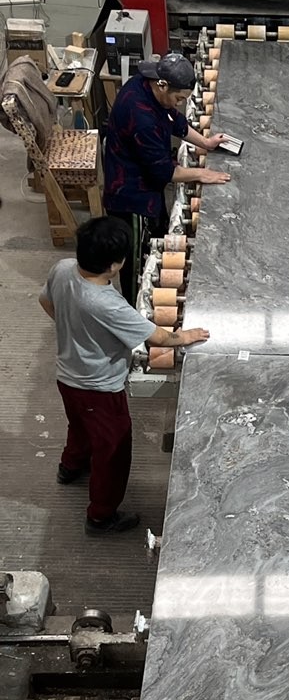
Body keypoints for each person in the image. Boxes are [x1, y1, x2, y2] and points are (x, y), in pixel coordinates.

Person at [39, 216, 210, 535]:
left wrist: (74, 331)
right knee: (113, 450)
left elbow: (45, 301)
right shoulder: (106, 303)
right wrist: (185, 336)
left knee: (80, 425)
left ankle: (70, 467)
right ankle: (101, 516)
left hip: (68, 376)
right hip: (99, 387)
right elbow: (157, 337)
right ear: (115, 265)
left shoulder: (62, 269)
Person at [104, 52, 231, 304]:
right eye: (178, 98)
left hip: (147, 183)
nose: (179, 103)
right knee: (136, 261)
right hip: (130, 196)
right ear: (162, 85)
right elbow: (166, 172)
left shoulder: (150, 86)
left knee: (156, 238)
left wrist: (205, 142)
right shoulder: (142, 118)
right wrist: (202, 173)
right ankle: (135, 309)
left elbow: (173, 119)